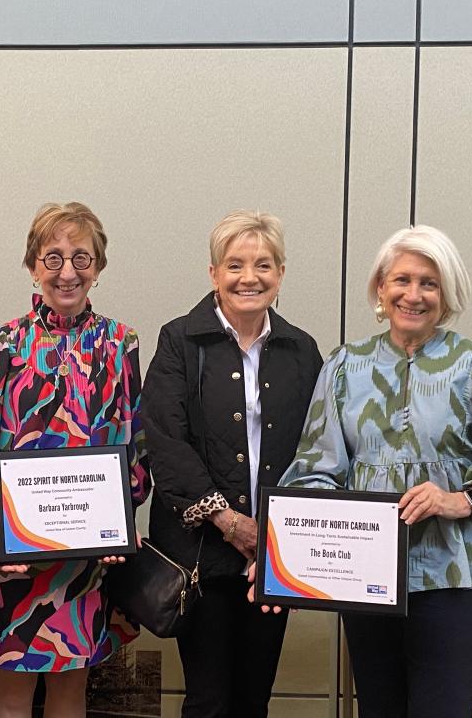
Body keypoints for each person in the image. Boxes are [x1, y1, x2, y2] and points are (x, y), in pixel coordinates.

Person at [271, 225, 472, 718]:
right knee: (378, 707)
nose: (413, 295)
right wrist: (292, 556)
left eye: (429, 283)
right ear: (380, 288)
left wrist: (462, 499)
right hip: (365, 576)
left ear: (447, 293)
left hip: (454, 573)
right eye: (402, 280)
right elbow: (315, 467)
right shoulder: (345, 367)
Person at [0, 202, 150, 718]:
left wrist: (117, 521)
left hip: (84, 555)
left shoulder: (119, 342)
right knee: (12, 691)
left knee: (71, 689)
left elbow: (134, 444)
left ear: (98, 268)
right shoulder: (2, 343)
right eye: (54, 257)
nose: (67, 272)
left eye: (81, 258)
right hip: (8, 549)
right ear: (33, 265)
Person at [142, 210, 322, 718]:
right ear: (214, 273)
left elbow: (317, 448)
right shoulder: (179, 340)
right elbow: (166, 441)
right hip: (200, 554)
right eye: (235, 265)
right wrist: (227, 520)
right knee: (208, 701)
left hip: (272, 556)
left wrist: (276, 536)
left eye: (263, 265)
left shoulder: (302, 350)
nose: (249, 277)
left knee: (253, 701)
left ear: (280, 274)